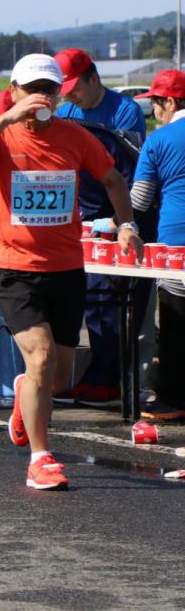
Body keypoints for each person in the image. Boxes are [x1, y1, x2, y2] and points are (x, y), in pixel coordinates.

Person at [0, 54, 142, 490]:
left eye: (50, 90)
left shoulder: (75, 136)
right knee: (40, 357)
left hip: (66, 266)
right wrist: (3, 121)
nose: (41, 97)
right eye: (32, 88)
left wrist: (127, 225)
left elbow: (113, 180)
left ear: (59, 97)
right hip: (13, 267)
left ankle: (26, 393)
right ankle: (41, 458)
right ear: (13, 91)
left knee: (56, 376)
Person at [54, 47, 149, 407]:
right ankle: (90, 374)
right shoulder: (65, 112)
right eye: (65, 89)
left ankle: (108, 378)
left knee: (108, 299)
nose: (70, 95)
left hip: (115, 208)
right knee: (85, 297)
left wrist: (116, 219)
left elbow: (126, 168)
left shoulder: (124, 110)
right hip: (80, 211)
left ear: (94, 78)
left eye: (76, 87)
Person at [131, 70, 185, 421]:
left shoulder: (159, 139)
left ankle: (175, 398)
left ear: (169, 102)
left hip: (176, 243)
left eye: (155, 105)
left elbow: (140, 198)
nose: (155, 113)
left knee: (177, 327)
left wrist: (112, 220)